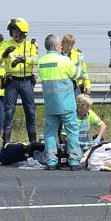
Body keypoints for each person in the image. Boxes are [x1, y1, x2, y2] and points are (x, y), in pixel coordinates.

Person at [37, 34, 85, 170]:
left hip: (50, 103)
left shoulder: (41, 61)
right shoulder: (63, 60)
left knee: (50, 133)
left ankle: (51, 161)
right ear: (56, 46)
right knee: (72, 131)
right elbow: (78, 74)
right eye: (59, 45)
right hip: (66, 102)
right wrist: (80, 62)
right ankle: (74, 161)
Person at [0, 18, 39, 145]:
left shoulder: (31, 44)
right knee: (8, 112)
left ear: (23, 32)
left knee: (30, 111)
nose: (15, 33)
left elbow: (36, 59)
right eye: (13, 30)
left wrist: (23, 60)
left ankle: (33, 143)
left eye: (17, 30)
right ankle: (6, 143)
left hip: (26, 81)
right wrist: (4, 54)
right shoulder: (5, 44)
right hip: (11, 82)